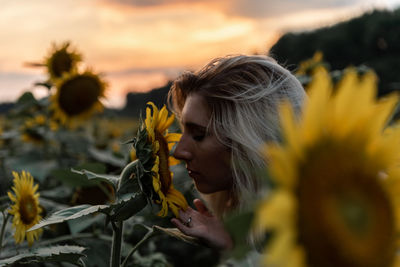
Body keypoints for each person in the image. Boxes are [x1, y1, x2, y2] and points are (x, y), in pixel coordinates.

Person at [168, 54, 306, 251]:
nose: (179, 152)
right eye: (183, 131)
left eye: (198, 135)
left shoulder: (315, 227)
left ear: (250, 142)